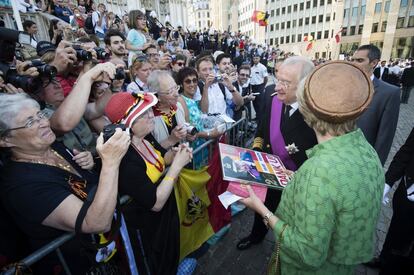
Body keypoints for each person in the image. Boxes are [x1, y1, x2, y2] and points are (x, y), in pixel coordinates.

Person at [241, 61, 384, 274]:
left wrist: (260, 209)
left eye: (286, 83)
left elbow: (306, 252)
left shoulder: (317, 170)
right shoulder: (366, 150)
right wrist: (296, 178)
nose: (278, 87)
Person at [0, 93, 130, 274]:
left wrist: (92, 163)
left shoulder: (53, 146)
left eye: (40, 115)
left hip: (107, 254)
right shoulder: (21, 185)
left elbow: (82, 183)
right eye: (30, 122)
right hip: (76, 266)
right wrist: (111, 162)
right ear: (5, 140)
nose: (44, 122)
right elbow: (95, 222)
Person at [104, 92, 192, 275]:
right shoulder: (125, 157)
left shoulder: (146, 137)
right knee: (154, 261)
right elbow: (155, 203)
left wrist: (175, 154)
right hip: (144, 224)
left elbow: (162, 157)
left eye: (149, 110)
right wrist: (177, 167)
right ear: (128, 124)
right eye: (143, 114)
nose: (152, 114)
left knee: (170, 247)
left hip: (164, 216)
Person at [236, 56, 317, 251]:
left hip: (296, 182)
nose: (277, 86)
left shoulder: (315, 115)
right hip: (268, 173)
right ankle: (256, 236)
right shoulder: (273, 99)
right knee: (262, 208)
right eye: (277, 79)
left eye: (286, 83)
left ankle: (285, 247)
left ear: (304, 85)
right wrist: (256, 153)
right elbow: (262, 131)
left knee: (291, 220)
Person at [351, 45, 400, 165]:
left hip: (363, 160)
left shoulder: (389, 93)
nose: (353, 64)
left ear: (374, 63)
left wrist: (375, 167)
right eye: (352, 60)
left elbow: (385, 137)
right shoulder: (342, 86)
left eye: (360, 60)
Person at [380, 127, 414, 275]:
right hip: (407, 190)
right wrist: (388, 182)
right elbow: (408, 149)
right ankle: (383, 261)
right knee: (396, 232)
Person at [147, 70, 188, 150]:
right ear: (157, 96)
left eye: (176, 88)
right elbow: (149, 153)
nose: (176, 94)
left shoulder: (178, 106)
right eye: (170, 91)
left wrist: (188, 135)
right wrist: (170, 140)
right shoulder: (148, 116)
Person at [250, 53, 268, 121]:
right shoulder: (252, 67)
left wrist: (263, 85)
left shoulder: (262, 67)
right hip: (253, 87)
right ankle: (257, 116)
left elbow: (266, 78)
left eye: (257, 58)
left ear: (259, 59)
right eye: (254, 58)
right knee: (254, 103)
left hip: (260, 86)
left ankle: (261, 118)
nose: (255, 60)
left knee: (260, 103)